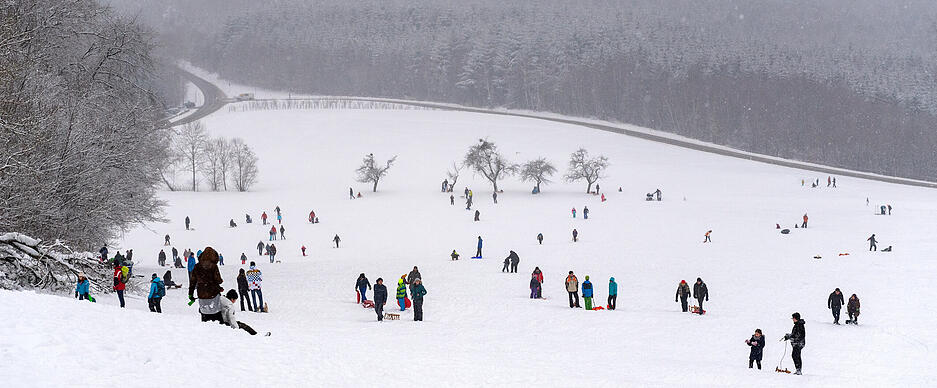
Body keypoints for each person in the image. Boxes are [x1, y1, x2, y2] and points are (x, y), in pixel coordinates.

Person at [189, 247, 225, 322]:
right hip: (213, 293)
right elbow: (218, 280)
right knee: (216, 315)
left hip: (202, 294)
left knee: (204, 314)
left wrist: (190, 295)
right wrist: (220, 281)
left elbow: (192, 282)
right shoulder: (214, 266)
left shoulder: (197, 266)